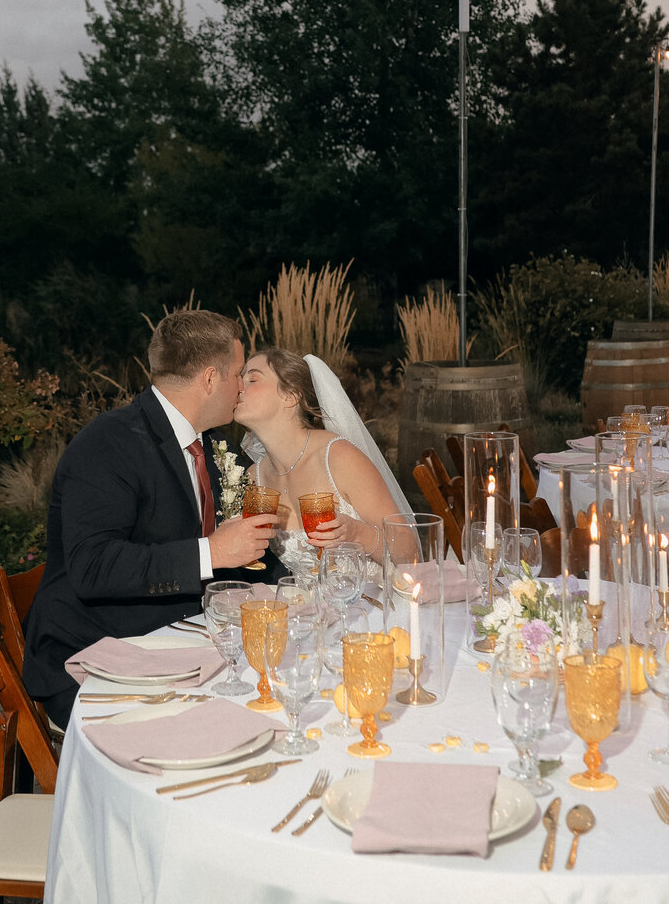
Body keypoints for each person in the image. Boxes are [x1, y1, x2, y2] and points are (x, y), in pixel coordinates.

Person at [22, 309, 278, 728]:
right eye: (236, 375)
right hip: (92, 651)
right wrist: (211, 552)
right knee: (210, 730)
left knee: (267, 697)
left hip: (175, 639)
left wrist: (290, 590)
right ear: (210, 380)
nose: (240, 388)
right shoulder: (108, 445)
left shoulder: (208, 443)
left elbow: (241, 543)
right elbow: (93, 567)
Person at [233, 348, 413, 574]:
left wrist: (357, 533)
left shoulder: (338, 457)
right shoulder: (254, 478)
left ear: (290, 396)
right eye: (240, 379)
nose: (239, 386)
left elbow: (410, 551)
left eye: (252, 379)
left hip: (375, 603)